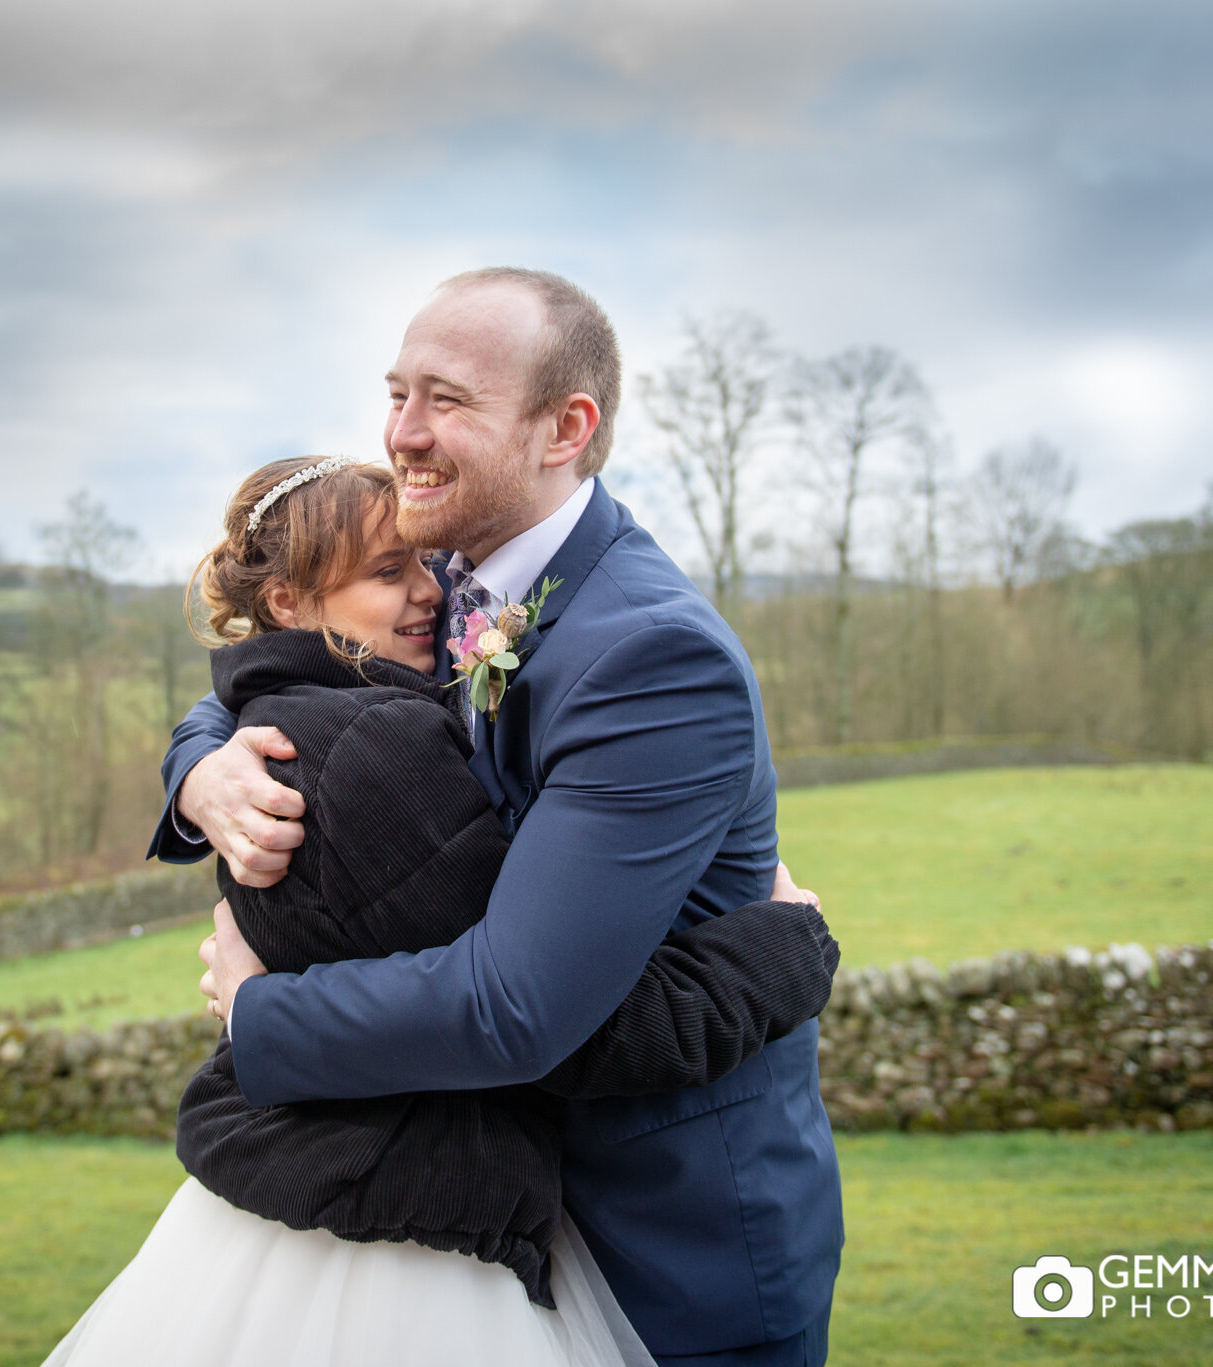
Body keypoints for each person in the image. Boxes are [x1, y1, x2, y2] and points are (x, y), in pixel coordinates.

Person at [164, 269, 844, 1366]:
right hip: (482, 1216)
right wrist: (199, 769)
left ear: (563, 428)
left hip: (658, 1239)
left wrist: (262, 1016)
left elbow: (518, 1003)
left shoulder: (649, 654)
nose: (400, 434)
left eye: (444, 399)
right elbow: (293, 663)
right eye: (395, 394)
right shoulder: (441, 572)